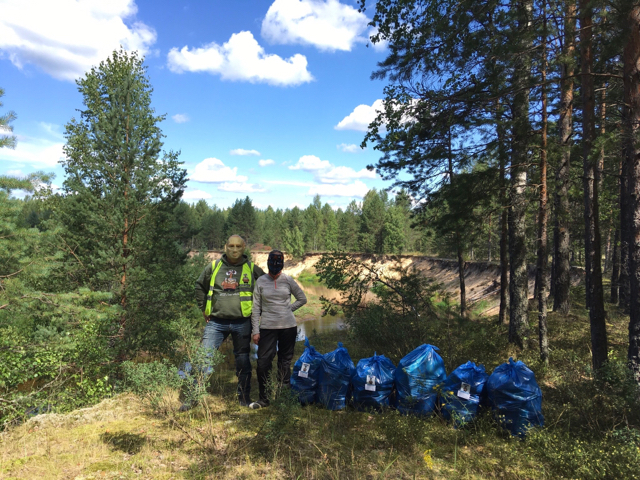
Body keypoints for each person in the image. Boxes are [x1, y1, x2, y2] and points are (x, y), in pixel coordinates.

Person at [194, 234, 265, 408]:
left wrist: (261, 312)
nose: (234, 250)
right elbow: (199, 286)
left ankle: (244, 399)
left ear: (244, 247)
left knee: (243, 361)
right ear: (225, 246)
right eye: (231, 246)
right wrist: (204, 308)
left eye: (238, 246)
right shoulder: (214, 267)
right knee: (204, 358)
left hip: (242, 323)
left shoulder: (251, 268)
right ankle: (193, 398)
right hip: (216, 323)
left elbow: (267, 286)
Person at [249, 250, 307, 409]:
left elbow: (302, 299)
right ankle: (263, 399)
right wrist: (255, 330)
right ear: (268, 263)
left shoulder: (288, 280)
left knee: (284, 362)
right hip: (267, 328)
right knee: (263, 363)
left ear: (281, 264)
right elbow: (255, 308)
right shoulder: (260, 281)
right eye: (272, 263)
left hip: (288, 327)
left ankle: (283, 398)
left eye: (278, 263)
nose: (275, 266)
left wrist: (288, 309)